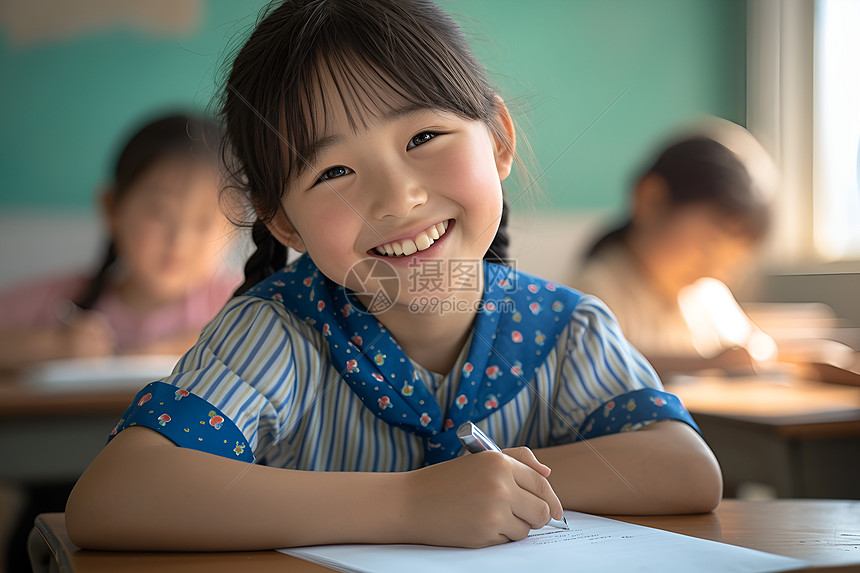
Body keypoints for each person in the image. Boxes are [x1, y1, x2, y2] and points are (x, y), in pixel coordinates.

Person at [66, 0, 721, 551]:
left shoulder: (567, 328)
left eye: (423, 138)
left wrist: (486, 484)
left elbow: (685, 467)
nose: (396, 196)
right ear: (284, 223)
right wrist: (411, 500)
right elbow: (111, 495)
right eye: (333, 172)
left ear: (497, 139)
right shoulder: (279, 334)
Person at [0, 113, 239, 369]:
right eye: (160, 213)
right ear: (112, 207)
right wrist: (56, 346)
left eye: (203, 222)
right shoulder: (62, 300)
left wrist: (162, 352)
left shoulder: (240, 302)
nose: (179, 240)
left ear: (234, 226)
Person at [571, 132, 775, 376]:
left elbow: (752, 344)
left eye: (730, 262)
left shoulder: (707, 295)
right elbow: (600, 364)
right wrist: (707, 364)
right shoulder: (597, 289)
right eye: (708, 246)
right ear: (652, 201)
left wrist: (757, 351)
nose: (714, 271)